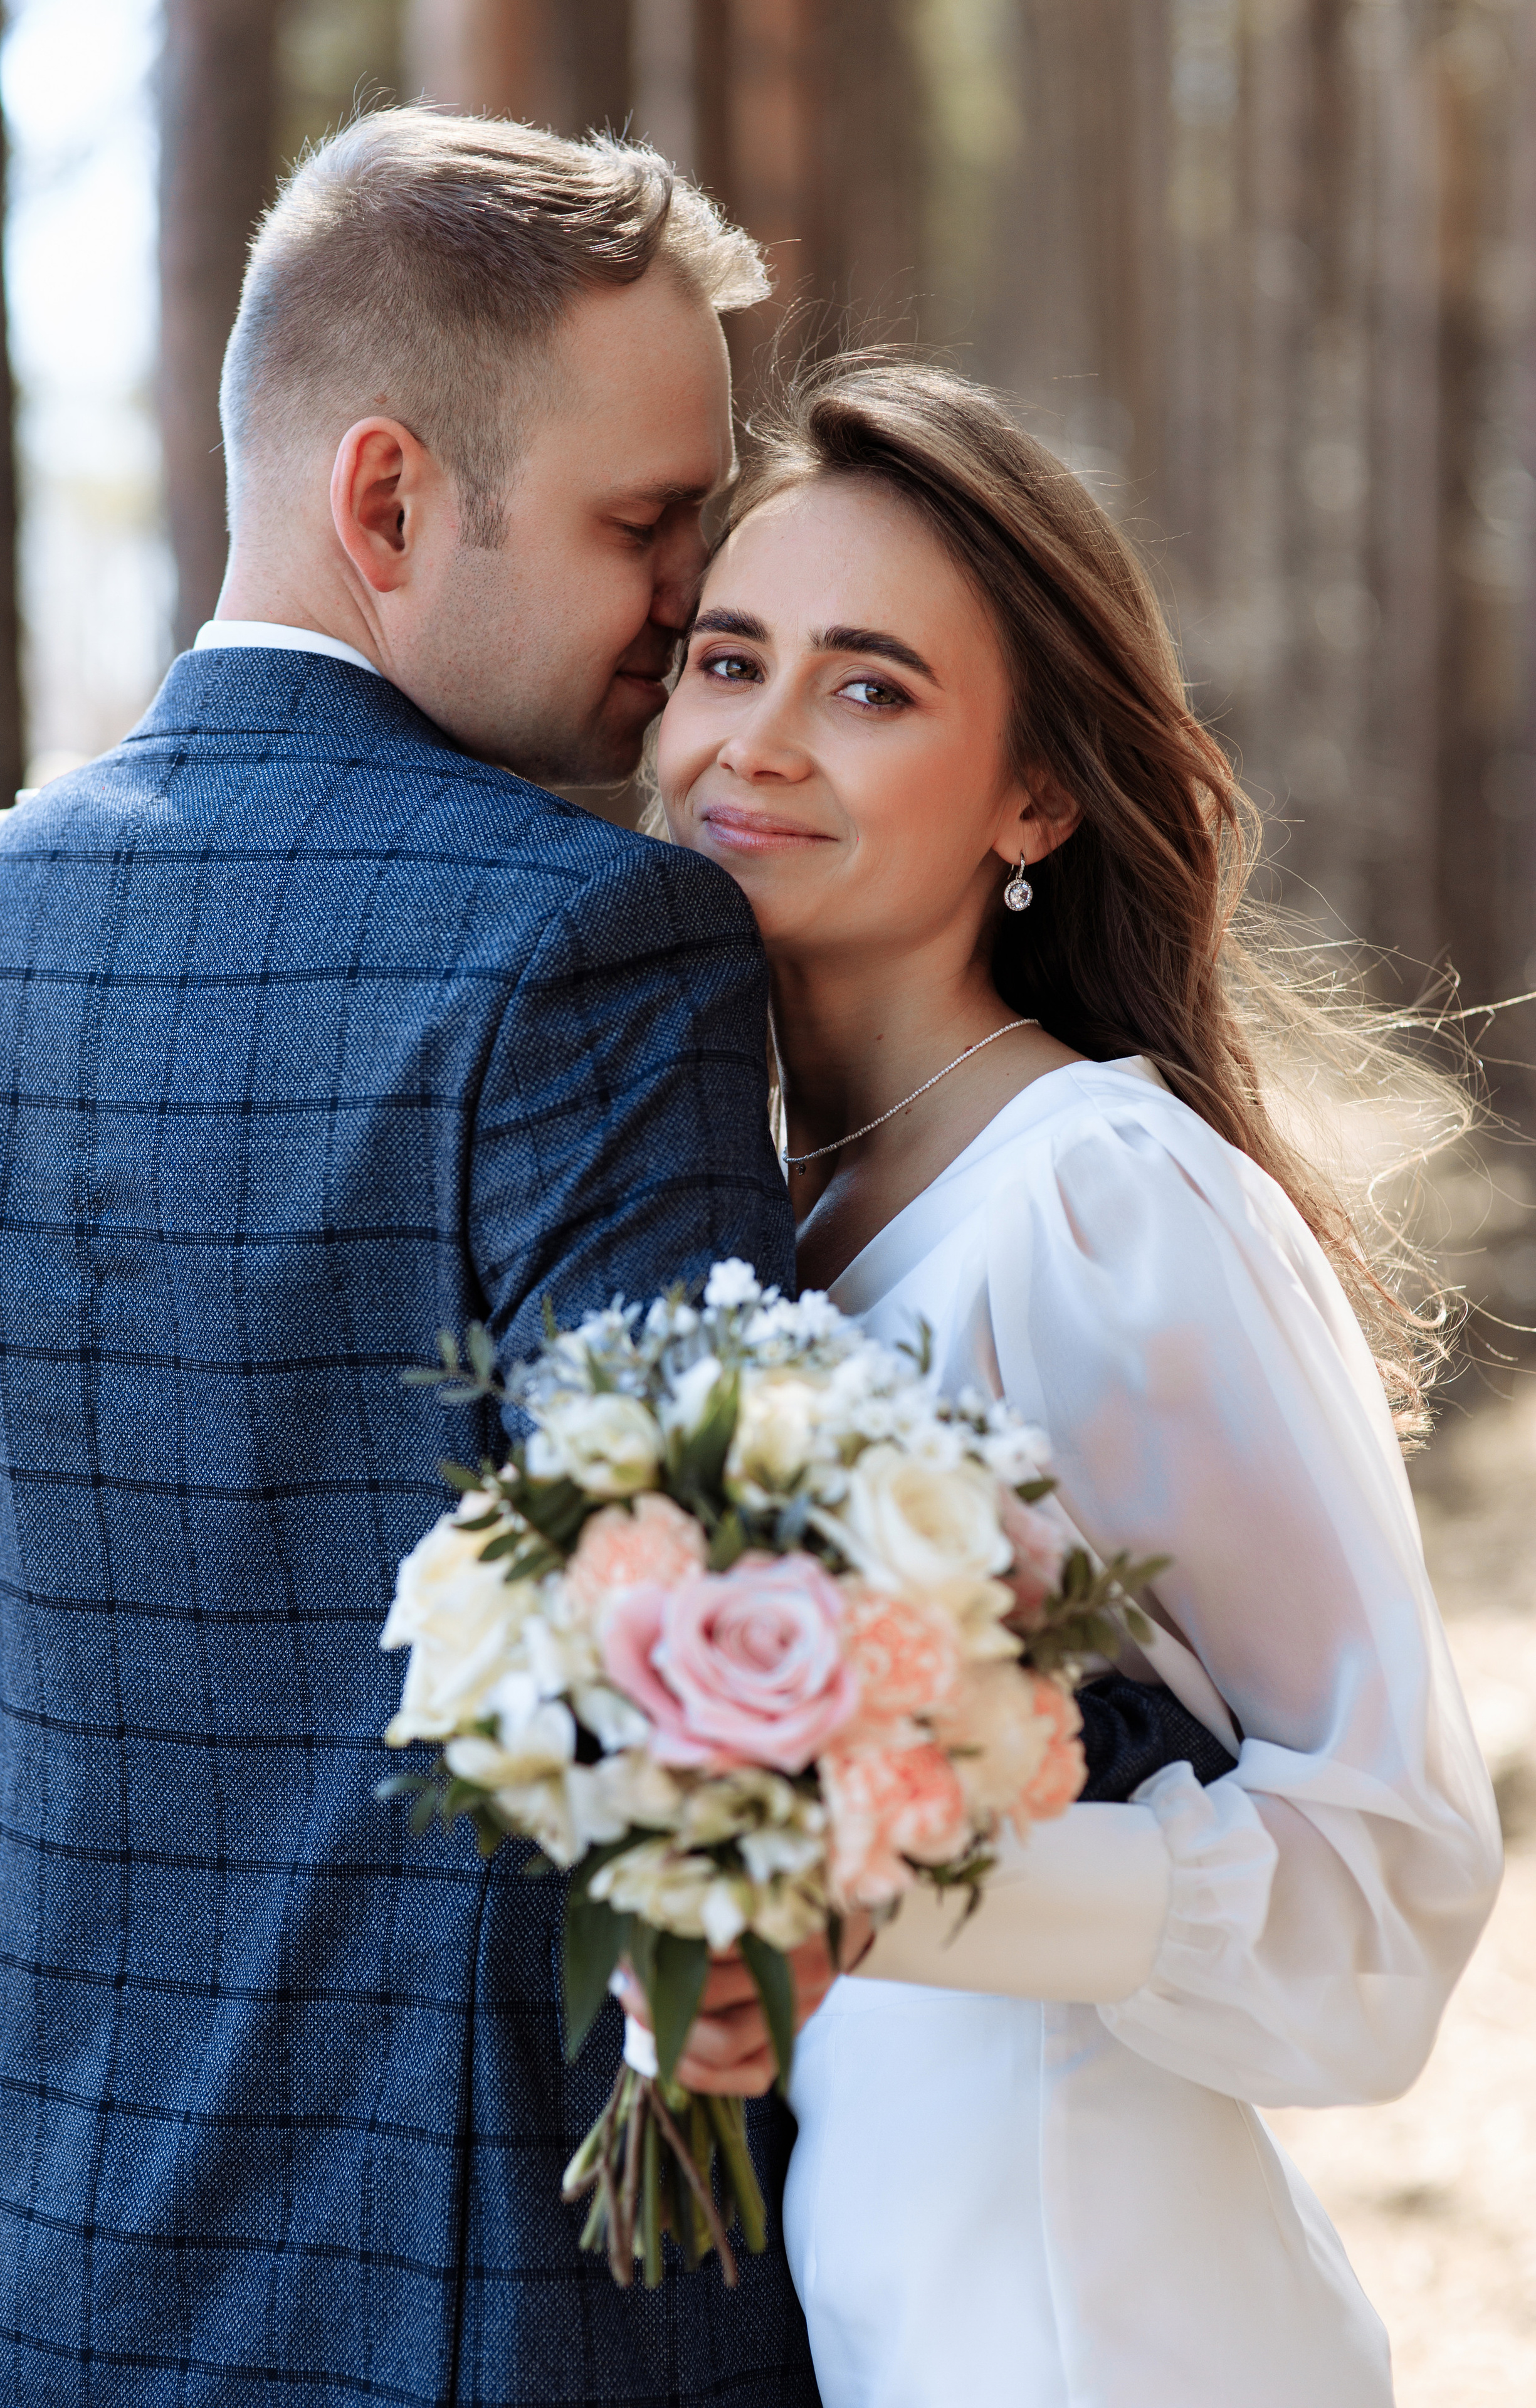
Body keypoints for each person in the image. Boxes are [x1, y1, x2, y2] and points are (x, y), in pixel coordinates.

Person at [0, 110, 837, 2408]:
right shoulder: (594, 945)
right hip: (492, 2307)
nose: (694, 605)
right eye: (650, 525)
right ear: (387, 500)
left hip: (43, 2287)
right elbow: (706, 1681)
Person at [641, 354, 1502, 2405]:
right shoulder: (773, 1205)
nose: (753, 743)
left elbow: (1391, 1892)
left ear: (1037, 798)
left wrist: (882, 1904)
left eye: (869, 687)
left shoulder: (1104, 1199)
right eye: (721, 658)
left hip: (1103, 2339)